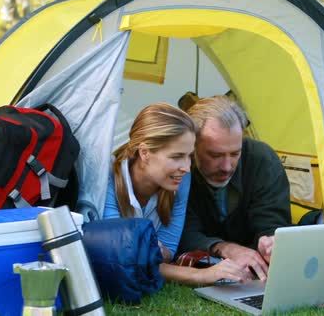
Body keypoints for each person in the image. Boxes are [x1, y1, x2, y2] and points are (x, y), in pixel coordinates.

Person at [103, 103, 249, 285]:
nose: (187, 168)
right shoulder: (106, 176)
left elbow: (168, 251)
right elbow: (119, 256)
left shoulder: (179, 182)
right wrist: (200, 275)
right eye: (176, 156)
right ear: (145, 152)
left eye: (189, 156)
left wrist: (145, 250)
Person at [179, 96, 291, 282]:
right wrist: (224, 247)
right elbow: (182, 233)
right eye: (215, 155)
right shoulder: (180, 168)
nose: (227, 166)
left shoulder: (262, 160)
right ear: (193, 146)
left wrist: (269, 241)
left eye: (235, 154)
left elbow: (272, 222)